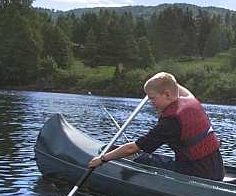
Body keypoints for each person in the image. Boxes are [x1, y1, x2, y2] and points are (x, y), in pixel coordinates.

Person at [87, 71, 224, 180]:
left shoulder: (170, 122)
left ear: (167, 94)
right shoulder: (191, 100)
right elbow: (175, 86)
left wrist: (102, 159)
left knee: (142, 158)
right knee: (159, 158)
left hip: (197, 174)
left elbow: (131, 148)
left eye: (152, 98)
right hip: (217, 170)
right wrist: (164, 78)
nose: (150, 102)